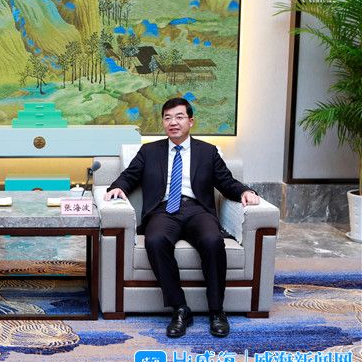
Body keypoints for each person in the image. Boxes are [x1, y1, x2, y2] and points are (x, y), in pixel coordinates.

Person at [104, 97, 259, 338]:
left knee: (213, 241)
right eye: (167, 118)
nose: (173, 122)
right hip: (163, 210)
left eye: (179, 117)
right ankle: (180, 308)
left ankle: (217, 311)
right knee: (155, 240)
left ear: (191, 121)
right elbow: (129, 176)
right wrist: (117, 187)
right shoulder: (149, 151)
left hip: (197, 209)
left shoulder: (207, 152)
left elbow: (226, 182)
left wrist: (245, 192)